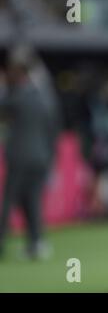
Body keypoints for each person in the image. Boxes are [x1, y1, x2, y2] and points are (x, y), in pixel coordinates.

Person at [0, 46, 60, 260]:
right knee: (32, 201)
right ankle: (36, 244)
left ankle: (2, 244)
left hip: (19, 157)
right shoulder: (43, 97)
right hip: (41, 157)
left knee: (8, 201)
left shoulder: (16, 95)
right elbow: (53, 128)